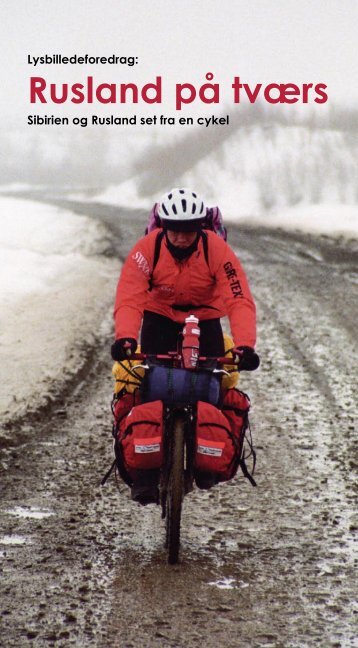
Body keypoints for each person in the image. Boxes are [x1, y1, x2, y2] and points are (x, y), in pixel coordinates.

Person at [111, 187, 259, 504]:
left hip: (205, 318)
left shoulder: (217, 250)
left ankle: (208, 454)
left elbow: (239, 298)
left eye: (188, 229)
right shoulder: (146, 250)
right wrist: (125, 337)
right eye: (174, 229)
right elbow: (129, 296)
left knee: (215, 383)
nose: (180, 237)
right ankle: (145, 473)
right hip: (158, 316)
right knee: (144, 382)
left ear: (199, 227)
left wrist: (245, 345)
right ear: (163, 227)